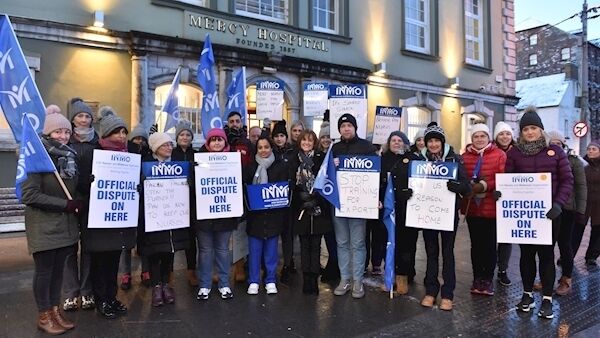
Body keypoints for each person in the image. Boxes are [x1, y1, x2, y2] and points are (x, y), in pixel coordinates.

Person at [504, 107, 573, 319]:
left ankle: (547, 298)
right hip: (525, 215)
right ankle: (527, 295)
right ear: (521, 132)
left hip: (549, 214)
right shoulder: (514, 153)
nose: (530, 132)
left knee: (546, 256)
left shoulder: (555, 151)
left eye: (533, 128)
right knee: (526, 255)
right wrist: (501, 192)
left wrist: (559, 204)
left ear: (541, 130)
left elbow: (566, 180)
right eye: (526, 129)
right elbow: (508, 179)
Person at [22, 105, 79, 335]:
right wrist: (65, 204)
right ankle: (43, 314)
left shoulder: (69, 157)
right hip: (43, 225)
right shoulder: (36, 158)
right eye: (58, 132)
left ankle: (55, 310)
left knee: (58, 272)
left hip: (64, 226)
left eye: (66, 132)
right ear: (47, 134)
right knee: (45, 272)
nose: (63, 136)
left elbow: (71, 190)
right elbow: (29, 194)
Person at [84, 106, 136, 319]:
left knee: (113, 260)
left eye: (124, 132)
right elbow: (80, 185)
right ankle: (101, 300)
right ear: (106, 133)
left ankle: (112, 297)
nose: (122, 136)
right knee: (100, 262)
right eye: (117, 132)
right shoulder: (94, 153)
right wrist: (90, 184)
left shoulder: (128, 156)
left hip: (118, 218)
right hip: (99, 220)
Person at [417, 122, 470, 311]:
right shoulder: (419, 161)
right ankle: (431, 291)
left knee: (448, 253)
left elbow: (467, 185)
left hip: (447, 214)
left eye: (436, 140)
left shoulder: (454, 159)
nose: (433, 144)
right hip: (427, 213)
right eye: (429, 140)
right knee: (431, 253)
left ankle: (448, 294)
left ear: (442, 142)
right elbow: (414, 184)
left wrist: (458, 187)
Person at [139, 132, 190, 307]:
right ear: (155, 148)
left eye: (170, 144)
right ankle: (156, 286)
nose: (169, 147)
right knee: (154, 253)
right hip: (153, 216)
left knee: (169, 251)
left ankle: (166, 284)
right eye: (165, 145)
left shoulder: (178, 165)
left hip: (172, 216)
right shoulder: (145, 165)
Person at [331, 113, 376, 299]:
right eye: (343, 126)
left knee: (357, 243)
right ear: (339, 129)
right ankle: (345, 279)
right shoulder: (335, 148)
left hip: (359, 204)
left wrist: (375, 198)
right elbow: (326, 175)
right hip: (339, 203)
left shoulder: (366, 147)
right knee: (342, 243)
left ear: (355, 127)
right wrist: (331, 166)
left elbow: (375, 173)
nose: (346, 128)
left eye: (350, 125)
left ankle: (358, 280)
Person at [460, 123, 506, 296]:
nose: (479, 139)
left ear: (488, 138)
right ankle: (477, 277)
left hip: (491, 207)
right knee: (476, 245)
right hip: (472, 207)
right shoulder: (464, 156)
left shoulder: (499, 155)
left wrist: (485, 185)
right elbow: (462, 177)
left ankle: (487, 278)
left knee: (489, 245)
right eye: (476, 136)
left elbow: (503, 178)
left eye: (482, 136)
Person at [61, 98, 96, 312]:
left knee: (89, 248)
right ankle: (70, 292)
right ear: (73, 119)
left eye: (87, 116)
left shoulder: (97, 142)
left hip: (92, 201)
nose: (83, 120)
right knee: (69, 249)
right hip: (70, 201)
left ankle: (87, 290)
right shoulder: (65, 142)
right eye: (80, 116)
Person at [195, 128, 238, 300]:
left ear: (225, 142)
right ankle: (204, 285)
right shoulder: (198, 160)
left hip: (225, 214)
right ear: (208, 143)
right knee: (205, 250)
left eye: (220, 140)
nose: (217, 143)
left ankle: (224, 284)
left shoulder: (232, 160)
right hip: (204, 215)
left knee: (222, 250)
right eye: (213, 140)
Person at [244, 136, 290, 295]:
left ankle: (270, 279)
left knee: (271, 251)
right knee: (254, 251)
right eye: (260, 147)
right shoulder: (250, 168)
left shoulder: (280, 167)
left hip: (273, 216)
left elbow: (285, 190)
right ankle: (254, 280)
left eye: (266, 147)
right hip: (255, 216)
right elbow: (245, 191)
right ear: (256, 150)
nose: (263, 150)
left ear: (271, 148)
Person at [289, 129, 333, 294]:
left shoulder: (321, 159)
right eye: (304, 140)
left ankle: (313, 280)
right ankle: (305, 278)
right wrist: (301, 198)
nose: (306, 143)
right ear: (300, 142)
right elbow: (290, 183)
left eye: (310, 141)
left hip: (318, 208)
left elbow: (326, 182)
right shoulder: (294, 160)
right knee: (304, 245)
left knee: (315, 246)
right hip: (301, 209)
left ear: (314, 142)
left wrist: (316, 199)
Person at [547, 131, 586, 296]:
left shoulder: (573, 161)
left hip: (567, 208)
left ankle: (566, 279)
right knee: (547, 246)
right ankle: (546, 278)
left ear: (563, 144)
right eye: (552, 142)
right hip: (547, 209)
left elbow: (581, 186)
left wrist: (580, 210)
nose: (556, 145)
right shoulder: (544, 159)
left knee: (565, 244)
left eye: (559, 142)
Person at [379, 131, 417, 294]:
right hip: (388, 207)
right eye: (393, 140)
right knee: (387, 241)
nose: (396, 143)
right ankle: (390, 275)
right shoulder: (383, 159)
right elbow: (378, 181)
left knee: (405, 243)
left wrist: (411, 191)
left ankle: (404, 276)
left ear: (405, 143)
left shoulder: (414, 159)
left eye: (399, 140)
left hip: (407, 208)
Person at [120, 123, 151, 290]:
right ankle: (126, 273)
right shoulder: (126, 155)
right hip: (128, 200)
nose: (139, 141)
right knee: (127, 241)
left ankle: (145, 271)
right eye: (137, 138)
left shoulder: (148, 155)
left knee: (144, 239)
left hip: (145, 201)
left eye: (142, 138)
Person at [171, 119, 199, 287]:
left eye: (188, 134)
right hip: (174, 201)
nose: (185, 137)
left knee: (191, 239)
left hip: (192, 201)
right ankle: (170, 273)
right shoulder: (171, 153)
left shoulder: (196, 154)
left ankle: (191, 271)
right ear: (177, 137)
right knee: (174, 238)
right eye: (182, 134)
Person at [271, 120, 295, 282]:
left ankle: (287, 264)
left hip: (288, 200)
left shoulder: (292, 152)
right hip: (272, 200)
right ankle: (271, 267)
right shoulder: (269, 153)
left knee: (288, 235)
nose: (279, 139)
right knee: (273, 236)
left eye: (282, 136)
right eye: (277, 136)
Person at [492, 121, 516, 286]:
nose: (505, 136)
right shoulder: (490, 151)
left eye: (507, 133)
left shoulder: (518, 151)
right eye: (501, 133)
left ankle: (503, 269)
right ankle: (490, 266)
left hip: (512, 198)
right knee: (491, 236)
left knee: (506, 238)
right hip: (493, 197)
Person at [572, 140, 600, 266]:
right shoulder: (582, 164)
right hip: (583, 202)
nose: (591, 151)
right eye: (589, 149)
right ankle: (569, 255)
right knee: (577, 230)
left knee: (597, 231)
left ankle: (592, 256)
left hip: (599, 204)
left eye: (594, 149)